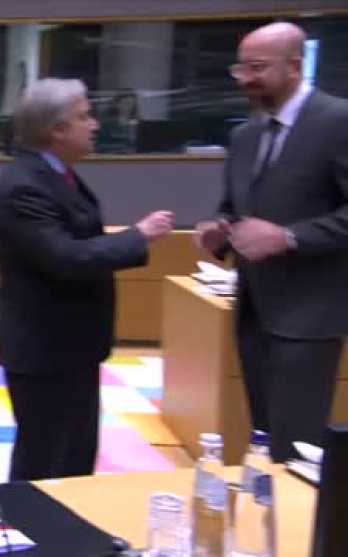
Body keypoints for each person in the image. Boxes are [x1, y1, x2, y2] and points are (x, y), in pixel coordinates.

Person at [0, 78, 173, 481]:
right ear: (57, 129)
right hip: (45, 350)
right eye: (84, 116)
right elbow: (65, 257)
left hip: (72, 345)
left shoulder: (57, 175)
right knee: (44, 465)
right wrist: (138, 236)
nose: (94, 125)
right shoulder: (25, 185)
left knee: (76, 458)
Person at [194, 22, 347, 462]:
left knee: (297, 445)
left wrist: (290, 237)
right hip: (254, 311)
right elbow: (233, 209)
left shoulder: (338, 121)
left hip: (310, 315)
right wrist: (220, 230)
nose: (245, 79)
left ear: (295, 66)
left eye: (257, 68)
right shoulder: (245, 135)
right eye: (239, 69)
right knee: (265, 438)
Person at [96, 89, 139, 154]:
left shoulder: (137, 124)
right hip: (110, 157)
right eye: (127, 103)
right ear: (117, 104)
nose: (130, 107)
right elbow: (100, 145)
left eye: (132, 104)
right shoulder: (106, 123)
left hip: (132, 157)